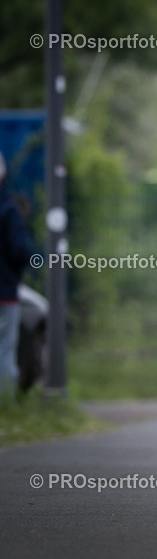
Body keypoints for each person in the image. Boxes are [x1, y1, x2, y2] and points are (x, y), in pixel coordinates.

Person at [1, 152, 35, 398]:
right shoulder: (7, 211)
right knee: (4, 352)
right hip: (3, 293)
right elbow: (20, 251)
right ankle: (5, 407)